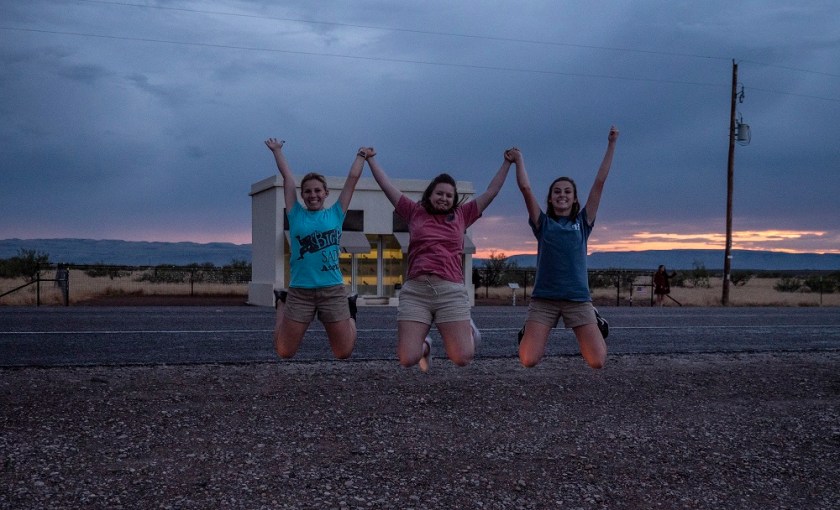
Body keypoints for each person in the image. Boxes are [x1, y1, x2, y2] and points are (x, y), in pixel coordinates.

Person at [365, 147, 513, 372]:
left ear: (454, 199)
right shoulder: (414, 212)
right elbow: (387, 186)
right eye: (439, 193)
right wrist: (371, 160)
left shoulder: (463, 215)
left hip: (449, 291)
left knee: (462, 358)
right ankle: (425, 347)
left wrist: (507, 163)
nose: (443, 198)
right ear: (430, 194)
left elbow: (491, 192)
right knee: (407, 358)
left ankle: (468, 329)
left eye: (448, 195)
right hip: (416, 292)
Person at [511, 125, 619, 369]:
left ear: (574, 197)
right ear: (550, 198)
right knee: (528, 359)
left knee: (597, 361)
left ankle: (596, 319)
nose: (562, 195)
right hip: (544, 300)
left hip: (577, 299)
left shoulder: (583, 223)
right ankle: (528, 329)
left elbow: (599, 182)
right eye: (557, 192)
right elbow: (526, 189)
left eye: (567, 192)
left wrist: (611, 144)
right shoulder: (543, 224)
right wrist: (519, 160)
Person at [264, 138, 365, 360]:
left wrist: (361, 156)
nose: (313, 195)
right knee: (284, 351)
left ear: (326, 192)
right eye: (308, 192)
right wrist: (277, 151)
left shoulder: (336, 213)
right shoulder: (296, 213)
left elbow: (352, 180)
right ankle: (282, 301)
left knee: (343, 352)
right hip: (300, 291)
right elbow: (288, 179)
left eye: (317, 190)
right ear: (302, 196)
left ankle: (351, 309)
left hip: (332, 290)